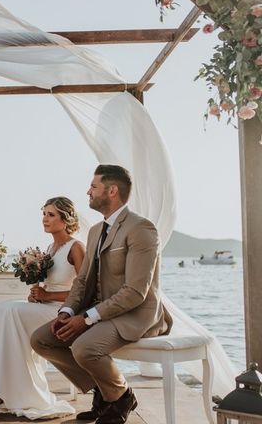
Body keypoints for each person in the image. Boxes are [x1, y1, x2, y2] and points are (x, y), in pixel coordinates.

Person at [31, 165, 172, 424]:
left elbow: (135, 292)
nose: (88, 191)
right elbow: (83, 281)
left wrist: (86, 319)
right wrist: (67, 312)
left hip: (134, 313)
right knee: (41, 339)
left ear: (112, 191)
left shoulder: (142, 229)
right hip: (99, 309)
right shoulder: (96, 231)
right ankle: (106, 392)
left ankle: (121, 396)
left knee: (84, 348)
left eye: (93, 186)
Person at [0, 196, 85, 419]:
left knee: (10, 311)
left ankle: (4, 390)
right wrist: (37, 294)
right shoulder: (50, 248)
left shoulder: (76, 247)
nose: (45, 219)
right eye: (44, 213)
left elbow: (84, 290)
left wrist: (49, 295)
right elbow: (47, 285)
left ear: (65, 219)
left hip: (63, 310)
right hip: (46, 306)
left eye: (51, 214)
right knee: (2, 311)